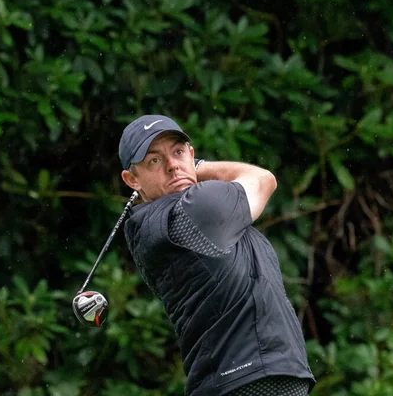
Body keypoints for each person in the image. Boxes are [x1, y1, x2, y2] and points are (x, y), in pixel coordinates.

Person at [118, 114, 315, 396]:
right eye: (154, 160)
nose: (173, 166)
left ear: (190, 152)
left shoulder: (158, 222)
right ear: (132, 179)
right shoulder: (193, 210)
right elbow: (264, 179)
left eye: (178, 152)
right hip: (246, 381)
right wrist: (198, 167)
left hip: (247, 378)